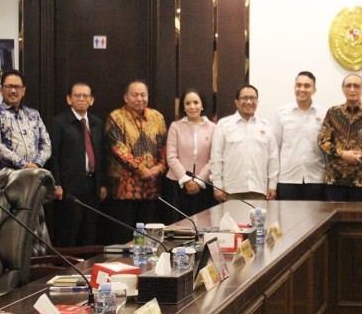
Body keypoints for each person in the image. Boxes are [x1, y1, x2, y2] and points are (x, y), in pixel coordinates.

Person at [104, 79, 167, 241]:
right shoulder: (116, 117)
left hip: (152, 187)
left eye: (143, 95)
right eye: (135, 95)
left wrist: (161, 167)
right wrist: (141, 169)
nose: (140, 99)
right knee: (124, 236)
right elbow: (118, 149)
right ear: (126, 98)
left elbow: (165, 146)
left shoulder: (157, 117)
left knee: (149, 237)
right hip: (125, 189)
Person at [48, 82, 107, 247]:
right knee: (69, 234)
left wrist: (102, 184)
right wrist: (56, 184)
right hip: (69, 188)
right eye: (77, 95)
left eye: (85, 96)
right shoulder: (59, 123)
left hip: (92, 186)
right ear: (69, 99)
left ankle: (86, 264)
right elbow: (53, 156)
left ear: (92, 100)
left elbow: (101, 155)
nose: (82, 99)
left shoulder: (96, 123)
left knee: (89, 234)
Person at [318, 74, 362, 202]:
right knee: (334, 214)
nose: (352, 89)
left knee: (359, 215)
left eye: (356, 86)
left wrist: (358, 157)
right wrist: (342, 154)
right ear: (343, 89)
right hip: (335, 179)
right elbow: (323, 141)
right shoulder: (333, 113)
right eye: (348, 86)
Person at [210, 85, 278, 201]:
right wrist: (217, 185)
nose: (249, 102)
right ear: (236, 102)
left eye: (253, 98)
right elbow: (216, 157)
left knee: (257, 214)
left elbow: (273, 158)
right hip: (230, 189)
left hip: (258, 189)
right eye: (244, 98)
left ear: (257, 101)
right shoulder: (224, 125)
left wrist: (272, 185)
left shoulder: (265, 126)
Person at [273, 71, 327, 201]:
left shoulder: (324, 114)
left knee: (316, 214)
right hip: (287, 178)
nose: (302, 89)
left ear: (314, 90)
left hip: (316, 178)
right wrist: (272, 181)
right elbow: (275, 148)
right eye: (298, 85)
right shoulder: (282, 113)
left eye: (307, 86)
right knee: (288, 214)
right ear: (294, 88)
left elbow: (327, 147)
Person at [0, 69, 52, 170]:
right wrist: (24, 165)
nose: (13, 91)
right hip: (8, 175)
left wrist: (38, 163)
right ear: (1, 90)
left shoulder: (34, 114)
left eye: (17, 87)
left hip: (35, 172)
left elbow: (46, 143)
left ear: (23, 91)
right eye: (9, 86)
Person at [166, 88, 216, 216]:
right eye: (188, 103)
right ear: (183, 107)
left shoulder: (213, 128)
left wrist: (199, 181)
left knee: (204, 222)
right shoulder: (175, 126)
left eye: (196, 102)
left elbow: (214, 158)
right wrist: (186, 180)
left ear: (202, 105)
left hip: (205, 184)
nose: (192, 107)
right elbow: (171, 156)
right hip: (178, 184)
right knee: (179, 223)